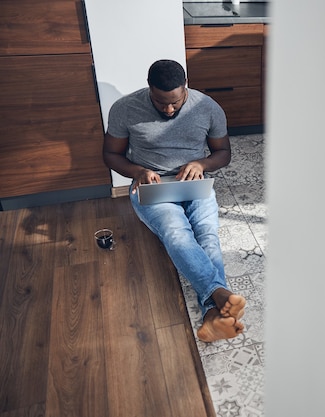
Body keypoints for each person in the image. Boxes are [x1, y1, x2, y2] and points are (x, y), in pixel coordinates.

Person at [102, 59, 245, 343]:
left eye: (175, 103)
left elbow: (223, 152)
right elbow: (111, 155)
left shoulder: (208, 108)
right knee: (176, 233)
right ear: (149, 89)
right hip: (150, 185)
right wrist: (139, 171)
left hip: (194, 182)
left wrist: (201, 163)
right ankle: (218, 294)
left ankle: (213, 315)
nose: (168, 109)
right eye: (160, 103)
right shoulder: (125, 109)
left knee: (207, 236)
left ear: (186, 87)